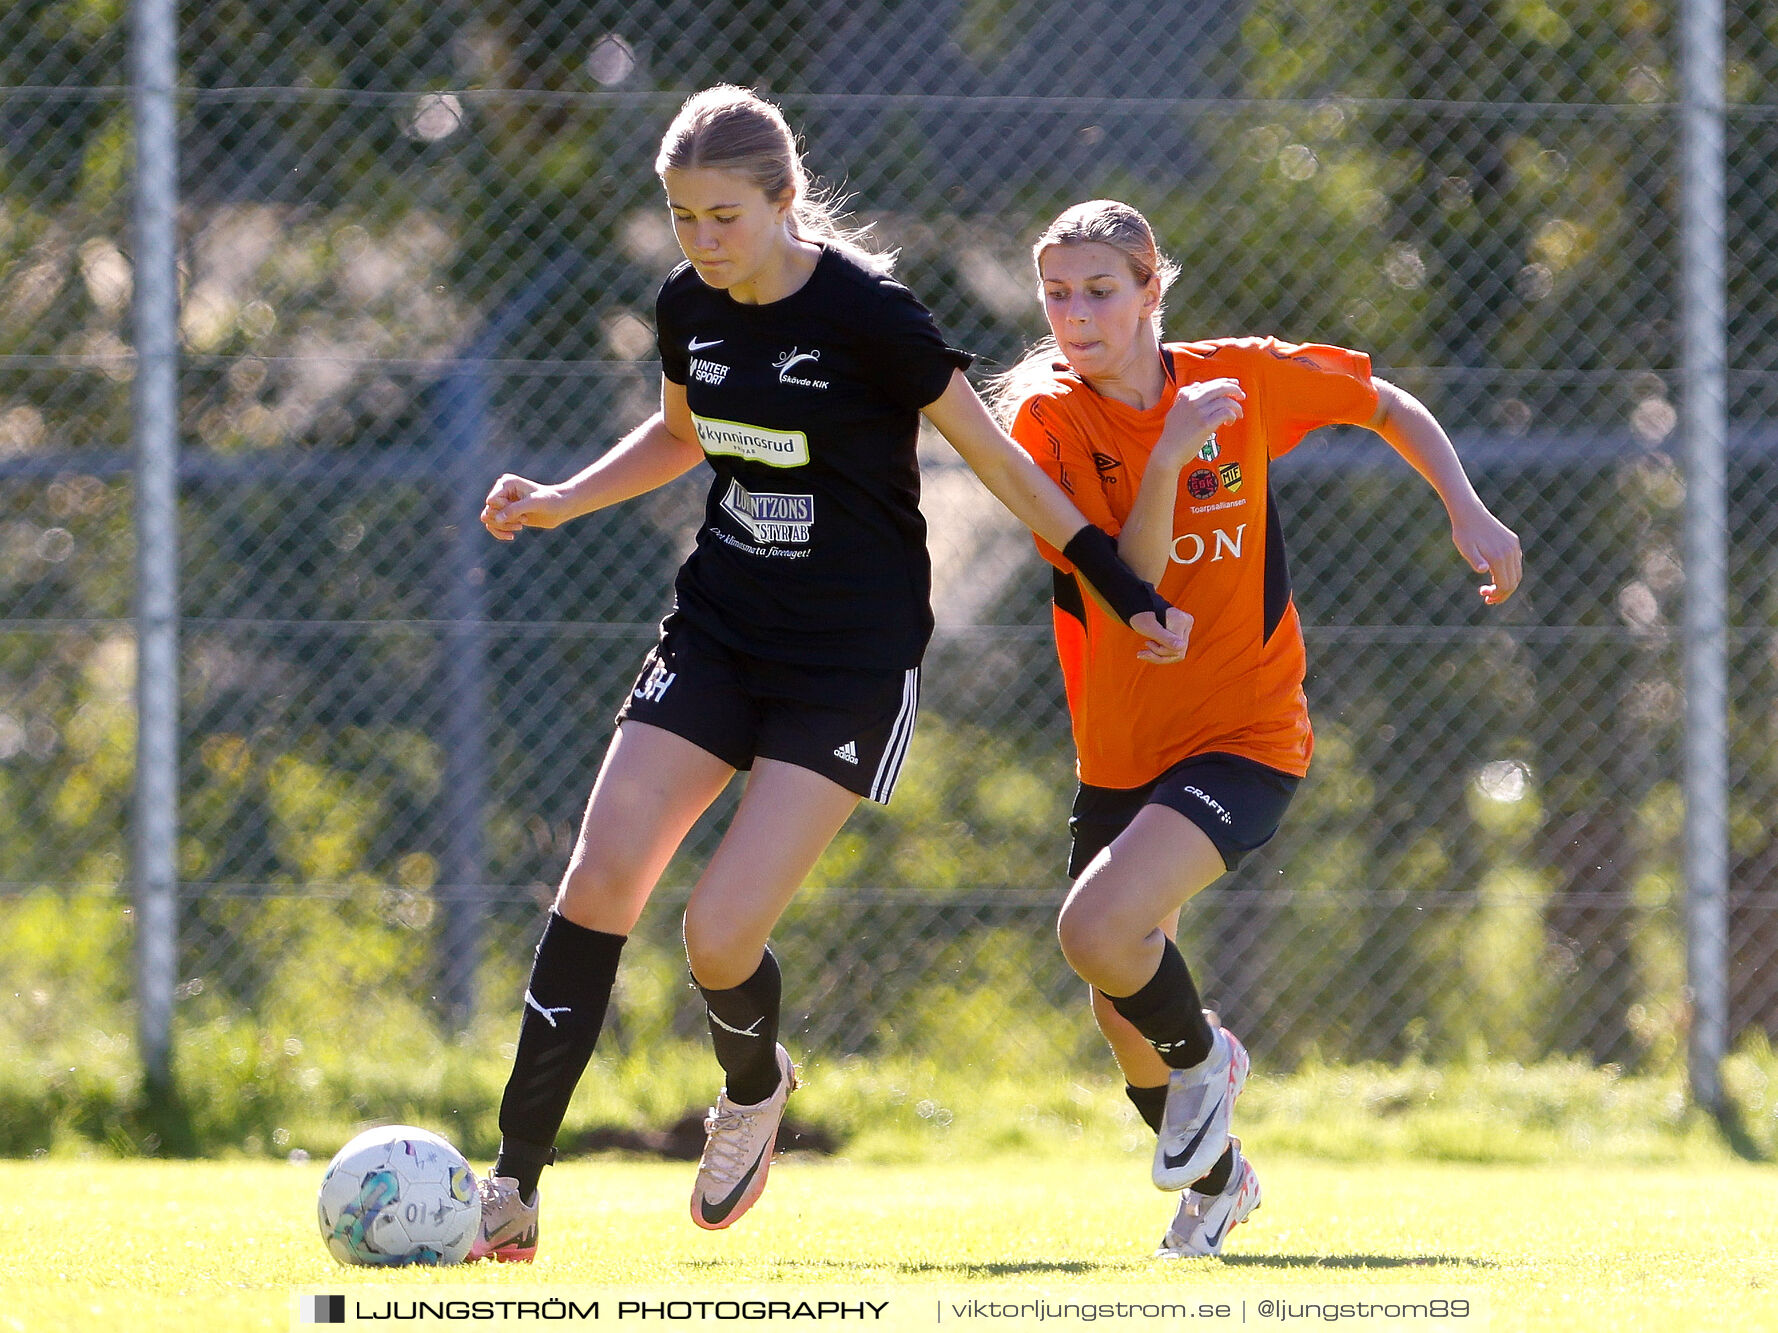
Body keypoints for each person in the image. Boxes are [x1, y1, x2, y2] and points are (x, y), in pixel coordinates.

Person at [468, 95, 1188, 1260]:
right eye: (681, 216)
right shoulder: (688, 304)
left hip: (845, 665)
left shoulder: (866, 314)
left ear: (784, 200)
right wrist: (559, 497)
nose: (703, 240)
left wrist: (1122, 584)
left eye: (725, 216)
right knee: (600, 876)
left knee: (714, 936)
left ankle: (751, 1085)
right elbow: (682, 434)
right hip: (717, 630)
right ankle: (511, 1185)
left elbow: (997, 463)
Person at [995, 199, 1523, 1258]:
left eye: (1100, 290)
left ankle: (1208, 1060)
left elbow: (1383, 404)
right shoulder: (1043, 423)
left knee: (1094, 931)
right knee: (1118, 1003)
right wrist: (1165, 458)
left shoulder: (1236, 379)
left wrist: (1464, 504)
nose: (1075, 314)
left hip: (1245, 731)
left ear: (1153, 291)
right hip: (1118, 750)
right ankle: (1221, 1180)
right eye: (1057, 293)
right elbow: (1126, 583)